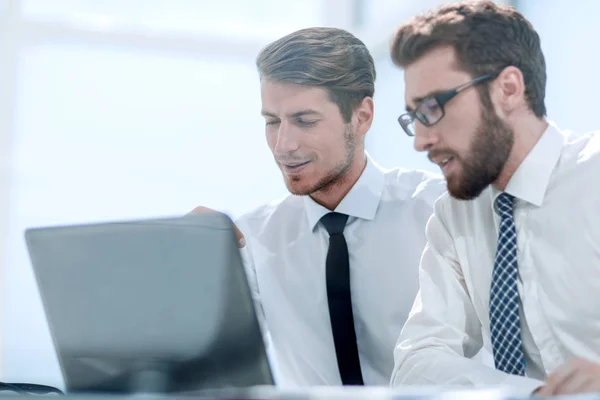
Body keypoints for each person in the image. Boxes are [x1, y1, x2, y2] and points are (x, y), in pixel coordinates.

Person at [190, 27, 445, 387]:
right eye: (271, 122)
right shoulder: (252, 239)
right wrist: (188, 270)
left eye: (304, 121)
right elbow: (210, 361)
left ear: (361, 117)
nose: (283, 145)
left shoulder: (439, 212)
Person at [388, 0, 600, 396]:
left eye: (432, 108)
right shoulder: (456, 215)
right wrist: (531, 395)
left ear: (508, 89)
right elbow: (418, 360)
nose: (420, 141)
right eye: (413, 116)